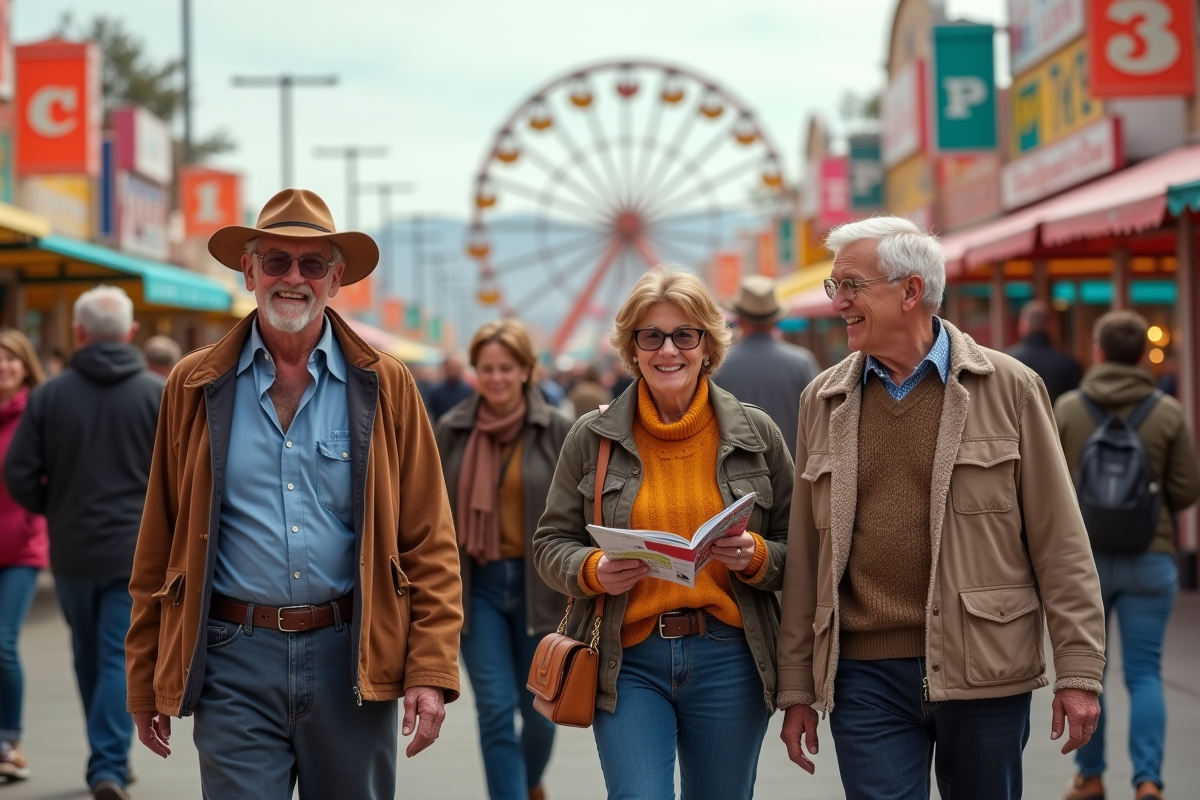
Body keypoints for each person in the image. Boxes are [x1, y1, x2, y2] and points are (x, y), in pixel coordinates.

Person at [123, 189, 464, 800]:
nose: (293, 278)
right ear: (249, 271)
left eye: (311, 265)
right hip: (233, 656)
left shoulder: (385, 384)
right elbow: (160, 537)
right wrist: (146, 674)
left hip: (351, 654)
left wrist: (430, 668)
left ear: (336, 280)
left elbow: (429, 539)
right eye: (276, 261)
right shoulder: (193, 383)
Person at [776, 217, 1107, 800]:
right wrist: (798, 684)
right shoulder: (820, 400)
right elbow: (805, 553)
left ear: (911, 291)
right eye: (835, 287)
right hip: (863, 675)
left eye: (851, 285)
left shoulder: (1011, 388)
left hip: (986, 670)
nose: (839, 304)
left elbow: (1061, 541)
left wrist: (1078, 672)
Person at [535, 267, 794, 800]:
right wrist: (593, 570)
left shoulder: (756, 433)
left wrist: (755, 555)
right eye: (651, 336)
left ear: (707, 344)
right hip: (628, 658)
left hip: (730, 657)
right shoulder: (593, 436)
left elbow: (803, 550)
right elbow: (549, 543)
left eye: (684, 335)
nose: (668, 350)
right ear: (633, 348)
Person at [3, 287, 165, 800]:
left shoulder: (51, 395)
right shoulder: (155, 394)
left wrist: (56, 508)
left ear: (77, 332)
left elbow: (18, 473)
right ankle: (110, 762)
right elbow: (187, 477)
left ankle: (108, 757)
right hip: (137, 553)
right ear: (131, 334)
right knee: (120, 654)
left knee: (88, 654)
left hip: (72, 551)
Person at [1055, 311, 1200, 800]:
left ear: (1096, 352)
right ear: (1143, 355)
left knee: (1086, 674)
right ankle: (1149, 781)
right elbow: (1187, 490)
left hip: (1083, 564)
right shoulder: (1167, 411)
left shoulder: (1069, 409)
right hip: (1150, 558)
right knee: (1144, 672)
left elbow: (1046, 489)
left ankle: (1090, 776)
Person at [435, 319, 572, 800]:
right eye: (486, 368)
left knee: (541, 709)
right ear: (474, 372)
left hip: (544, 589)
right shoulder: (451, 431)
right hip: (478, 588)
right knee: (494, 709)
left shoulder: (558, 430)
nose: (495, 378)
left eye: (505, 368)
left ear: (526, 371)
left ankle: (529, 779)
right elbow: (432, 514)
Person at [0, 330, 47, 782]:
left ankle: (8, 739)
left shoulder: (38, 411)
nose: (2, 366)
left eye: (9, 359)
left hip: (21, 549)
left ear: (23, 365)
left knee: (3, 642)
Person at [715, 275, 820, 457]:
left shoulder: (720, 364)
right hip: (793, 471)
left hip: (736, 475)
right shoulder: (801, 363)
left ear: (740, 319)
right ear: (775, 319)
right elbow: (819, 420)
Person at [1006, 300, 1082, 405]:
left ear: (1023, 325)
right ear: (1053, 326)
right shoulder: (1069, 364)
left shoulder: (1007, 361)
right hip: (1055, 421)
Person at [425, 352, 474, 422]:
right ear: (445, 368)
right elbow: (429, 413)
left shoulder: (468, 391)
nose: (453, 370)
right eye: (451, 367)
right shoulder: (435, 391)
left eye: (456, 367)